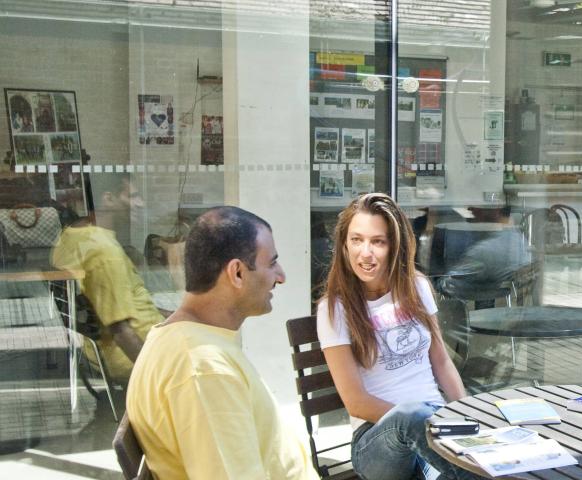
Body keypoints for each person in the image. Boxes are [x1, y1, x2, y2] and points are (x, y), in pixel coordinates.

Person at [125, 206, 315, 479]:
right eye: (272, 263)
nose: (281, 276)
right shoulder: (204, 368)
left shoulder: (192, 342)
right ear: (237, 273)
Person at [317, 193, 476, 480]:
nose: (365, 252)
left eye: (377, 241)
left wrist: (464, 416)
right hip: (377, 441)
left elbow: (440, 361)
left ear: (395, 246)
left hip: (432, 427)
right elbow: (356, 402)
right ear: (343, 245)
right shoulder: (335, 309)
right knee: (411, 416)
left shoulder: (417, 287)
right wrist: (427, 426)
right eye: (356, 240)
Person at [50, 178, 163, 383]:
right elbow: (121, 331)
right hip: (134, 355)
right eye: (133, 196)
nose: (141, 203)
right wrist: (153, 381)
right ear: (108, 198)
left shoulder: (72, 234)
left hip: (98, 348)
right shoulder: (105, 252)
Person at [434, 204, 532, 309]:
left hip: (477, 302)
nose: (470, 209)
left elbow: (449, 284)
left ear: (496, 209)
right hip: (497, 302)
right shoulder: (519, 240)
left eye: (478, 205)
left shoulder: (484, 251)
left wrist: (436, 283)